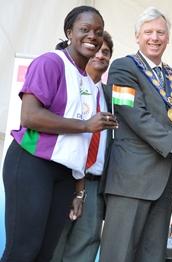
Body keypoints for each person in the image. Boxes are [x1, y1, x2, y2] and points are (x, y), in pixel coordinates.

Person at [99, 7, 172, 262]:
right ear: (137, 37)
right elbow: (135, 117)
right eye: (148, 32)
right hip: (130, 180)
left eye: (160, 32)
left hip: (164, 180)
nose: (155, 37)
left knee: (153, 255)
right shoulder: (122, 68)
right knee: (118, 254)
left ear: (168, 38)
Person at [0, 6, 117, 262]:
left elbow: (81, 145)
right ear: (69, 32)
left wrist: (79, 191)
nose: (92, 36)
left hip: (64, 175)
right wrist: (86, 124)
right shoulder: (51, 62)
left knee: (45, 254)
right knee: (23, 250)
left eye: (98, 31)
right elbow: (30, 117)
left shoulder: (87, 81)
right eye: (84, 29)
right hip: (32, 161)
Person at [51, 31, 114, 262]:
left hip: (95, 184)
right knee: (54, 242)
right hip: (64, 177)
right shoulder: (69, 83)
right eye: (97, 49)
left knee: (85, 246)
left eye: (106, 52)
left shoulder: (111, 96)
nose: (100, 55)